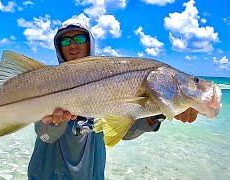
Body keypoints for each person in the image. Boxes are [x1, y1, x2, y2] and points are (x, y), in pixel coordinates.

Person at [27, 18, 198, 180]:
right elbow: (45, 135)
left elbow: (124, 129)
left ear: (90, 43)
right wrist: (54, 122)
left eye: (79, 38)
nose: (72, 45)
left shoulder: (109, 84)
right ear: (59, 47)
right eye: (65, 41)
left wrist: (158, 113)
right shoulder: (48, 84)